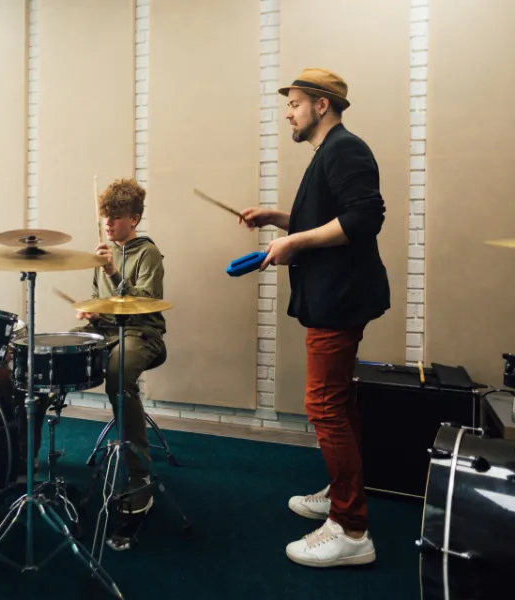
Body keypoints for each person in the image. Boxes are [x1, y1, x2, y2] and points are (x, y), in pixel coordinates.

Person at [239, 68, 390, 568]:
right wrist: (278, 218)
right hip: (335, 295)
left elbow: (365, 219)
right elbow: (330, 216)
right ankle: (340, 492)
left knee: (323, 406)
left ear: (322, 105)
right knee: (339, 402)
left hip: (340, 298)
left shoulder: (346, 148)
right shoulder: (329, 152)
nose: (289, 112)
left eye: (296, 103)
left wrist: (292, 242)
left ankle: (351, 529)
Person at [75, 177, 167, 524]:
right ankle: (28, 457)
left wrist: (113, 272)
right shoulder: (103, 253)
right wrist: (93, 310)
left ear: (135, 219)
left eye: (116, 216)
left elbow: (143, 302)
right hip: (105, 329)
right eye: (106, 216)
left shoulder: (148, 252)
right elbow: (105, 300)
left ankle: (139, 473)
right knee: (46, 354)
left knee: (117, 373)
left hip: (142, 332)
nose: (108, 223)